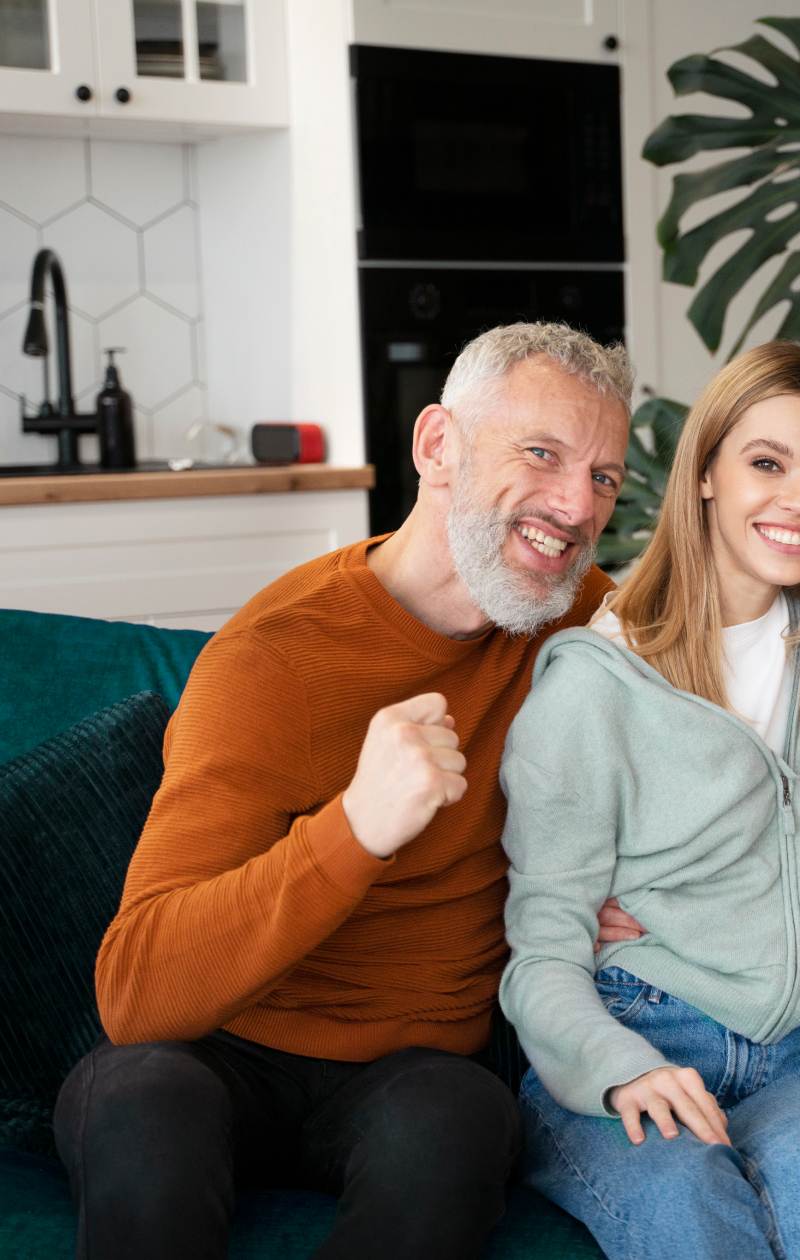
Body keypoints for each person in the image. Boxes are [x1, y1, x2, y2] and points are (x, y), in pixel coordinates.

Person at [53, 322, 633, 1260]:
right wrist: (356, 829)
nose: (574, 505)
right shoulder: (270, 656)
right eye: (542, 454)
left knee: (459, 1124)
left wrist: (640, 884)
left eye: (603, 476)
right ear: (439, 446)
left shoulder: (588, 628)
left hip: (415, 1074)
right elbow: (137, 993)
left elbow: (731, 733)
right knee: (140, 1105)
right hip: (215, 1054)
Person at [498, 341, 800, 1259]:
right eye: (766, 463)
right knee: (691, 1212)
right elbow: (541, 951)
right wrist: (616, 1067)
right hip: (638, 1025)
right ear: (708, 473)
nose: (799, 501)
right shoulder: (598, 684)